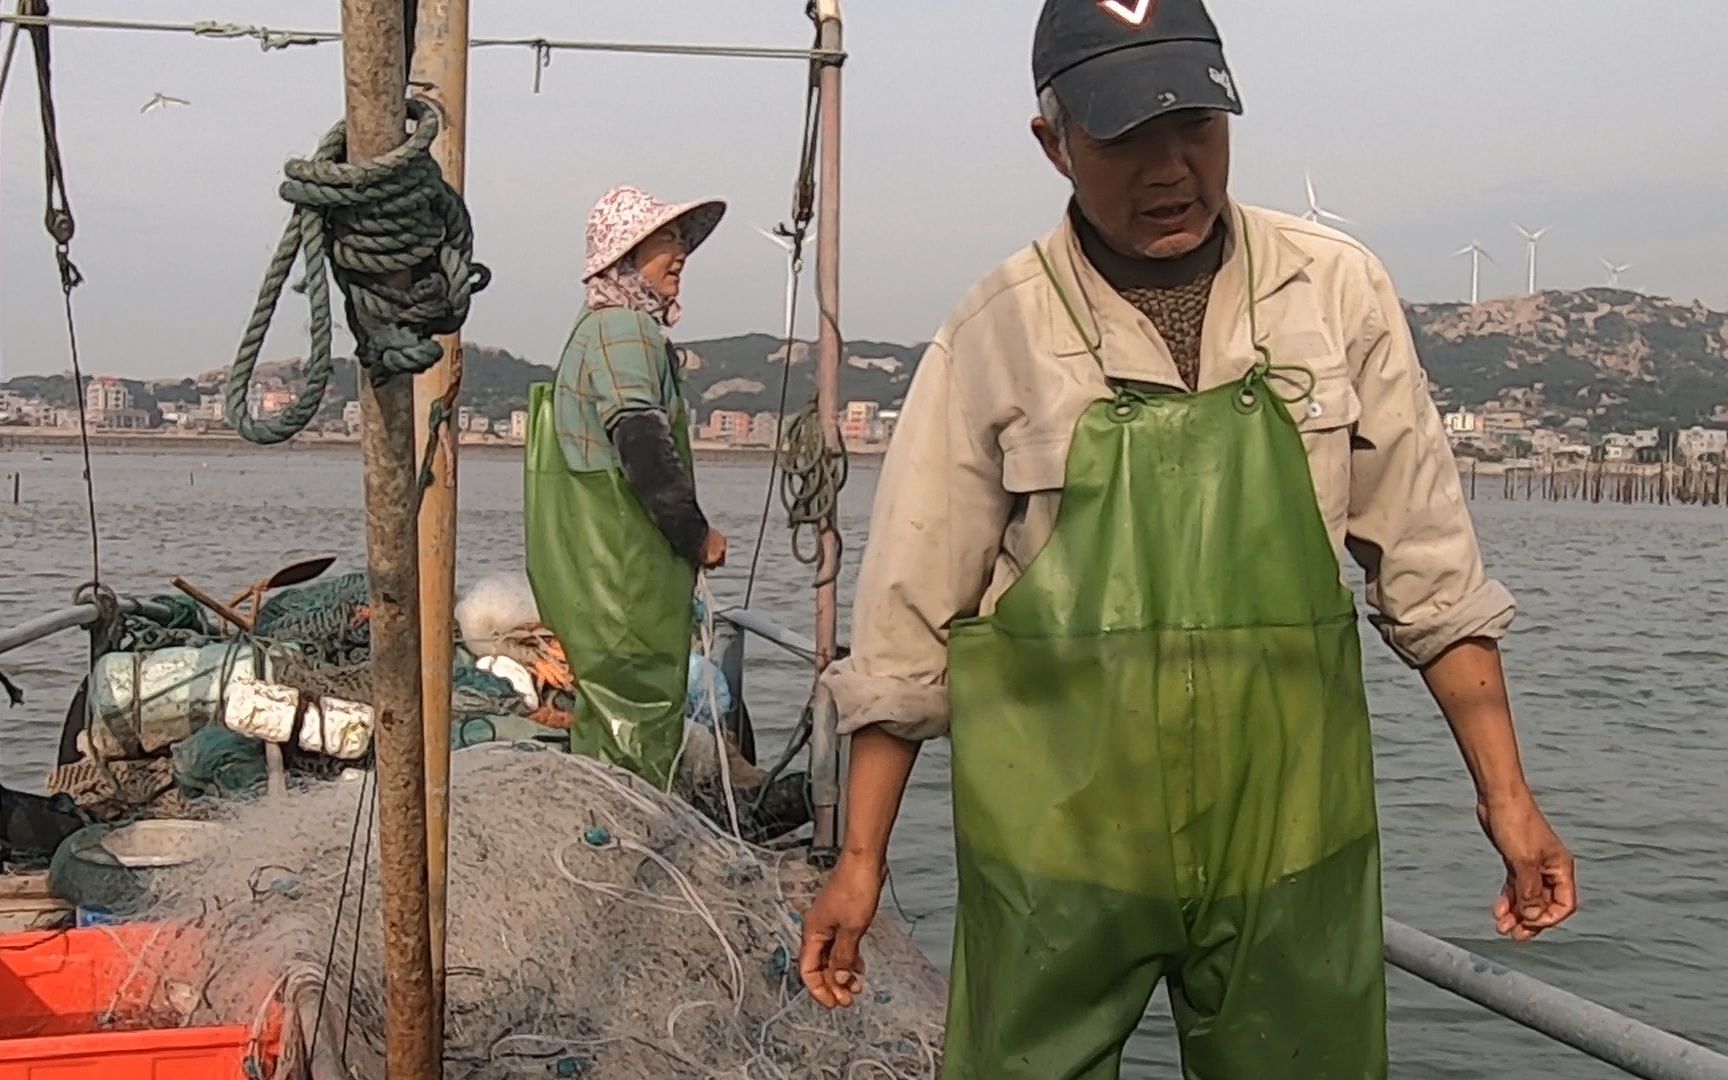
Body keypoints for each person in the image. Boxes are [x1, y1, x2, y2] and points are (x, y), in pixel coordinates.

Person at [797, 1, 1578, 1076]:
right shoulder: (996, 332)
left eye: (1198, 128)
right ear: (1052, 141)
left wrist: (1510, 800)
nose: (1173, 170)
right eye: (1125, 138)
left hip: (1292, 845)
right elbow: (904, 636)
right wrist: (859, 861)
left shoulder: (1334, 292)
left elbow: (1433, 575)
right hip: (1055, 853)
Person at [524, 184, 729, 789]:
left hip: (592, 569)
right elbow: (640, 440)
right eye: (666, 240)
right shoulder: (624, 330)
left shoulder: (591, 331)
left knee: (607, 706)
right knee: (634, 713)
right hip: (622, 572)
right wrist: (695, 535)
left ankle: (600, 827)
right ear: (623, 257)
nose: (681, 253)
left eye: (683, 241)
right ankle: (631, 848)